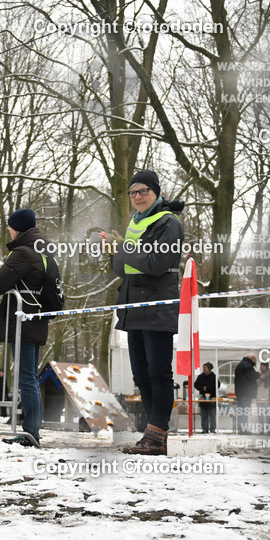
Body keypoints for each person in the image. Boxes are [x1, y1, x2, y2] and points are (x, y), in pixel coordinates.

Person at [101, 171, 184, 455]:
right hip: (132, 308)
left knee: (159, 374)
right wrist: (115, 252)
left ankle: (158, 434)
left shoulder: (168, 223)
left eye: (143, 191)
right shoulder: (136, 223)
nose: (137, 196)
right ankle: (152, 433)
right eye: (132, 192)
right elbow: (122, 270)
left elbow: (155, 263)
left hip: (158, 308)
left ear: (156, 192)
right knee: (141, 376)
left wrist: (124, 248)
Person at [0, 208, 53, 445]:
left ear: (17, 228)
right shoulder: (41, 250)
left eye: (10, 226)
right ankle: (30, 431)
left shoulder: (22, 252)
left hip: (23, 321)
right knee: (29, 376)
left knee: (27, 378)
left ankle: (31, 432)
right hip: (35, 319)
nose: (8, 230)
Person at [234, 353, 260, 434]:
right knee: (245, 412)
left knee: (241, 412)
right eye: (255, 360)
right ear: (252, 359)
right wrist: (258, 373)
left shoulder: (240, 365)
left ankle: (241, 429)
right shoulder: (247, 366)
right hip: (246, 393)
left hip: (240, 392)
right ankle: (243, 430)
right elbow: (254, 376)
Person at [194, 362, 217, 433]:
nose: (204, 369)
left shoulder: (214, 376)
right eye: (203, 368)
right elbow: (196, 385)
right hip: (203, 398)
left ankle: (212, 429)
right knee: (204, 414)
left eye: (205, 368)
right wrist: (202, 388)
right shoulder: (200, 376)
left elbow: (217, 385)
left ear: (209, 369)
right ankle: (204, 428)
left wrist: (208, 388)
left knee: (212, 414)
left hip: (212, 398)